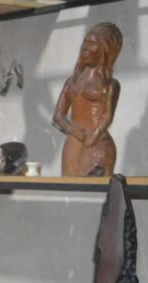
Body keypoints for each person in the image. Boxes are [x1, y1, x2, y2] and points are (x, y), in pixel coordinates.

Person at [53, 22, 123, 177]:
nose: (85, 48)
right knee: (69, 187)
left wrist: (94, 135)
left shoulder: (110, 85)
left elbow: (108, 117)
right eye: (84, 42)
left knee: (97, 187)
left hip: (99, 144)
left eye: (92, 44)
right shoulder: (71, 82)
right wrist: (74, 131)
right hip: (73, 145)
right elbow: (57, 117)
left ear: (104, 50)